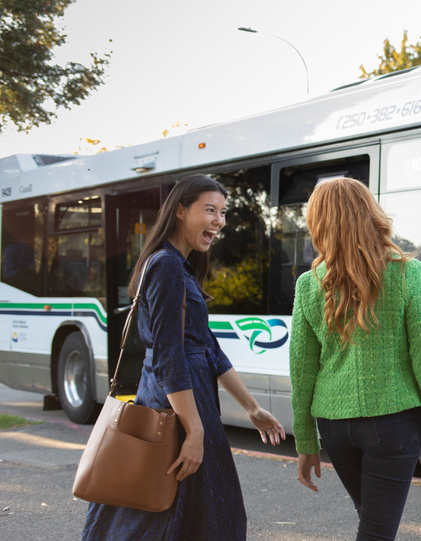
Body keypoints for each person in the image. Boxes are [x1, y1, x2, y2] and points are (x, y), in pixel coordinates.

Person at [82, 175, 285, 540]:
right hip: (176, 406)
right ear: (180, 210)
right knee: (172, 511)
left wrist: (252, 408)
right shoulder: (167, 265)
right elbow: (166, 356)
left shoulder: (181, 266)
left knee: (193, 512)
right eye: (209, 210)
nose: (218, 221)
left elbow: (209, 347)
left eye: (222, 213)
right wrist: (193, 430)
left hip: (190, 402)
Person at [290, 176, 421, 541]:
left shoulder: (308, 285)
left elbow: (302, 372)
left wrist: (306, 443)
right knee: (377, 530)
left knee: (372, 520)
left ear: (318, 222)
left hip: (334, 427)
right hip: (393, 424)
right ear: (371, 213)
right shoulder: (406, 273)